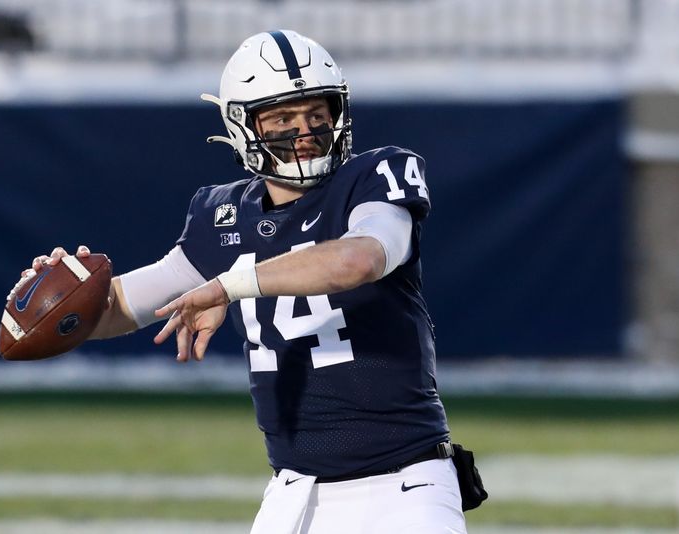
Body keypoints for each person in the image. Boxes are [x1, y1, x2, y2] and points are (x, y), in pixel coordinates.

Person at [23, 30, 467, 534]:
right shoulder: (223, 215)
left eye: (316, 115)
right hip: (292, 492)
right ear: (242, 124)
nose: (303, 132)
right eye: (282, 118)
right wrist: (60, 297)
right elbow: (121, 306)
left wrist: (232, 285)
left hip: (403, 486)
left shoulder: (374, 176)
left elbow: (361, 260)